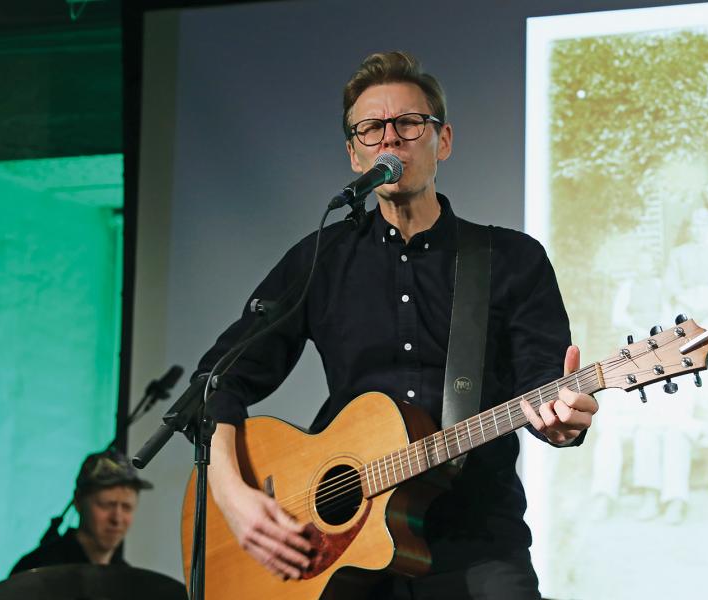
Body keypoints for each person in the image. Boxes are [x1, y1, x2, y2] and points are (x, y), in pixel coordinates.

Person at [196, 51, 598, 599]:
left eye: (408, 124)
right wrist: (231, 493)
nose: (389, 140)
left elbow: (542, 387)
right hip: (341, 558)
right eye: (370, 129)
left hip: (475, 545)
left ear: (443, 140)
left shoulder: (510, 259)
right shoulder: (323, 258)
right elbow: (216, 381)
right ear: (354, 154)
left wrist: (560, 419)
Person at [11, 449, 152, 574]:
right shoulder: (37, 570)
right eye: (106, 505)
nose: (117, 518)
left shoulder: (129, 581)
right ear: (78, 502)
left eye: (127, 507)